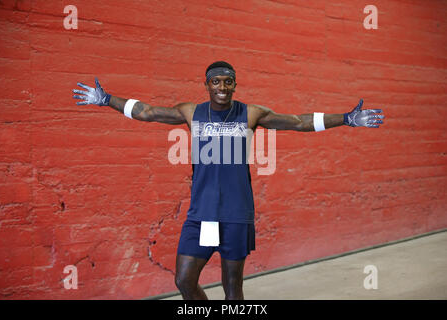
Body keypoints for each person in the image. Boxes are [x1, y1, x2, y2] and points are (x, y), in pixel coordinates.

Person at [72, 61, 384, 300]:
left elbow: (297, 122)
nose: (222, 86)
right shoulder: (192, 112)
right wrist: (106, 99)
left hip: (236, 216)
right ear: (207, 85)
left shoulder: (251, 114)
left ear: (235, 85)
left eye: (228, 81)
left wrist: (346, 119)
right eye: (216, 81)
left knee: (233, 288)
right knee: (184, 280)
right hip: (202, 216)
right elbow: (147, 112)